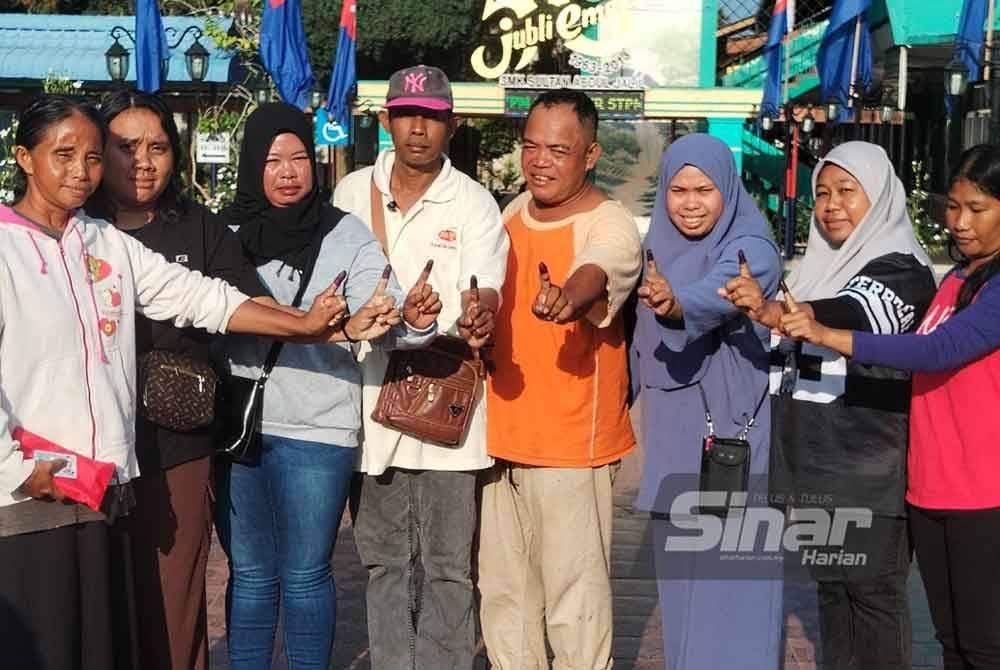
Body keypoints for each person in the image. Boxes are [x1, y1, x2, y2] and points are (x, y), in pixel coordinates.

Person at [0, 95, 346, 670]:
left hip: (103, 486)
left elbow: (198, 297)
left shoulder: (103, 244)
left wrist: (304, 325)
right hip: (29, 491)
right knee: (35, 645)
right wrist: (17, 469)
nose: (80, 173)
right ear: (24, 158)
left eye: (89, 157)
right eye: (63, 155)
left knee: (98, 644)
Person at [216, 101, 441, 669]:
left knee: (305, 573)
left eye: (297, 158)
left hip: (318, 432)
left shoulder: (347, 236)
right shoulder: (224, 236)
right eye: (271, 160)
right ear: (251, 167)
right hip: (237, 425)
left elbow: (380, 321)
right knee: (249, 574)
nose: (287, 172)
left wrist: (412, 321)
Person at [779, 143, 1000, 670]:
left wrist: (828, 334)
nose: (961, 222)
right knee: (953, 641)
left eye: (978, 208)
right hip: (931, 486)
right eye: (953, 206)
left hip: (984, 491)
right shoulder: (955, 281)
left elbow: (936, 349)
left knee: (985, 645)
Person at [721, 141, 936, 670]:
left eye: (847, 192)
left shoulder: (902, 270)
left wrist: (776, 311)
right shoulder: (815, 269)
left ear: (880, 197)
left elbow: (858, 312)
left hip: (869, 469)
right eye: (821, 193)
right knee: (832, 601)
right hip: (814, 469)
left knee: (873, 603)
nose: (831, 205)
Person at [83, 89, 277, 670]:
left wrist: (314, 322)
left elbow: (248, 306)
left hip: (178, 444)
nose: (143, 161)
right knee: (102, 593)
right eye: (125, 147)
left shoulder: (200, 229)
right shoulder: (74, 231)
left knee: (175, 595)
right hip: (90, 444)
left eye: (158, 147)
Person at [333, 65, 509, 669]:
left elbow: (486, 292)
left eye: (432, 117)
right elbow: (332, 290)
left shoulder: (476, 204)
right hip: (370, 406)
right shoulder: (351, 194)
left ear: (451, 125)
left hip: (446, 417)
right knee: (383, 563)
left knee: (448, 569)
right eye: (408, 115)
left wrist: (472, 313)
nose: (418, 129)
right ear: (387, 121)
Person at [478, 89, 641, 669]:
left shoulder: (611, 223)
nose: (539, 161)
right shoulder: (509, 213)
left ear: (591, 154)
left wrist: (568, 297)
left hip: (573, 448)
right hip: (498, 438)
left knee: (576, 604)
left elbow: (597, 272)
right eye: (530, 147)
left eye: (557, 149)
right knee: (504, 599)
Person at [630, 133, 783, 669]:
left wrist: (676, 305)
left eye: (704, 190)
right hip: (673, 438)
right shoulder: (660, 244)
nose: (690, 204)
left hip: (726, 445)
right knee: (683, 593)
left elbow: (721, 291)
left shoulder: (750, 246)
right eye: (677, 190)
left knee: (731, 587)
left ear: (728, 191)